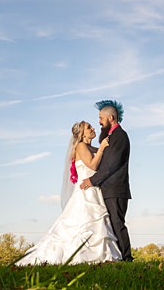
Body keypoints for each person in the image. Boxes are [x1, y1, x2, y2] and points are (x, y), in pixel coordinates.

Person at [18, 121, 121, 265]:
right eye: (88, 127)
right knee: (83, 224)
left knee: (97, 224)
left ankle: (102, 256)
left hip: (95, 191)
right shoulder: (81, 146)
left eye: (91, 126)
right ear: (82, 133)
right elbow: (92, 164)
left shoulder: (90, 147)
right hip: (85, 193)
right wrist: (103, 147)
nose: (92, 129)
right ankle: (81, 256)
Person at [81, 99, 132, 261]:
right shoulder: (111, 136)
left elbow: (111, 165)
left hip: (116, 189)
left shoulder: (120, 136)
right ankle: (118, 257)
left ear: (110, 118)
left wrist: (92, 180)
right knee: (112, 225)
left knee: (117, 224)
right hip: (109, 189)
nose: (99, 123)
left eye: (101, 119)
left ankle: (127, 258)